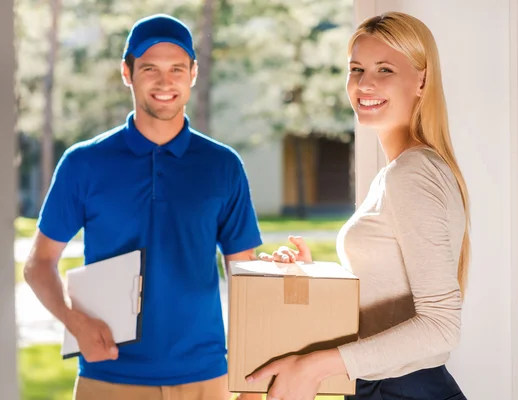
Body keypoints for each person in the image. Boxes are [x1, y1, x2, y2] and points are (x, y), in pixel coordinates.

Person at [24, 14, 262, 400]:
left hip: (205, 377)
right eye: (150, 68)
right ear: (127, 72)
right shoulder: (84, 163)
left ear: (194, 73)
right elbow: (39, 263)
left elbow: (245, 273)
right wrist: (75, 322)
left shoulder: (222, 165)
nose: (165, 82)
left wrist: (251, 379)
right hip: (108, 376)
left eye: (177, 69)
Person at [249, 12, 471, 400]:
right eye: (357, 69)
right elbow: (387, 294)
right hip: (382, 385)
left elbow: (441, 325)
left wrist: (313, 367)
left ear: (421, 80)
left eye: (385, 69)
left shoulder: (413, 173)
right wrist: (316, 274)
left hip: (406, 390)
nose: (365, 83)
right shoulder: (397, 172)